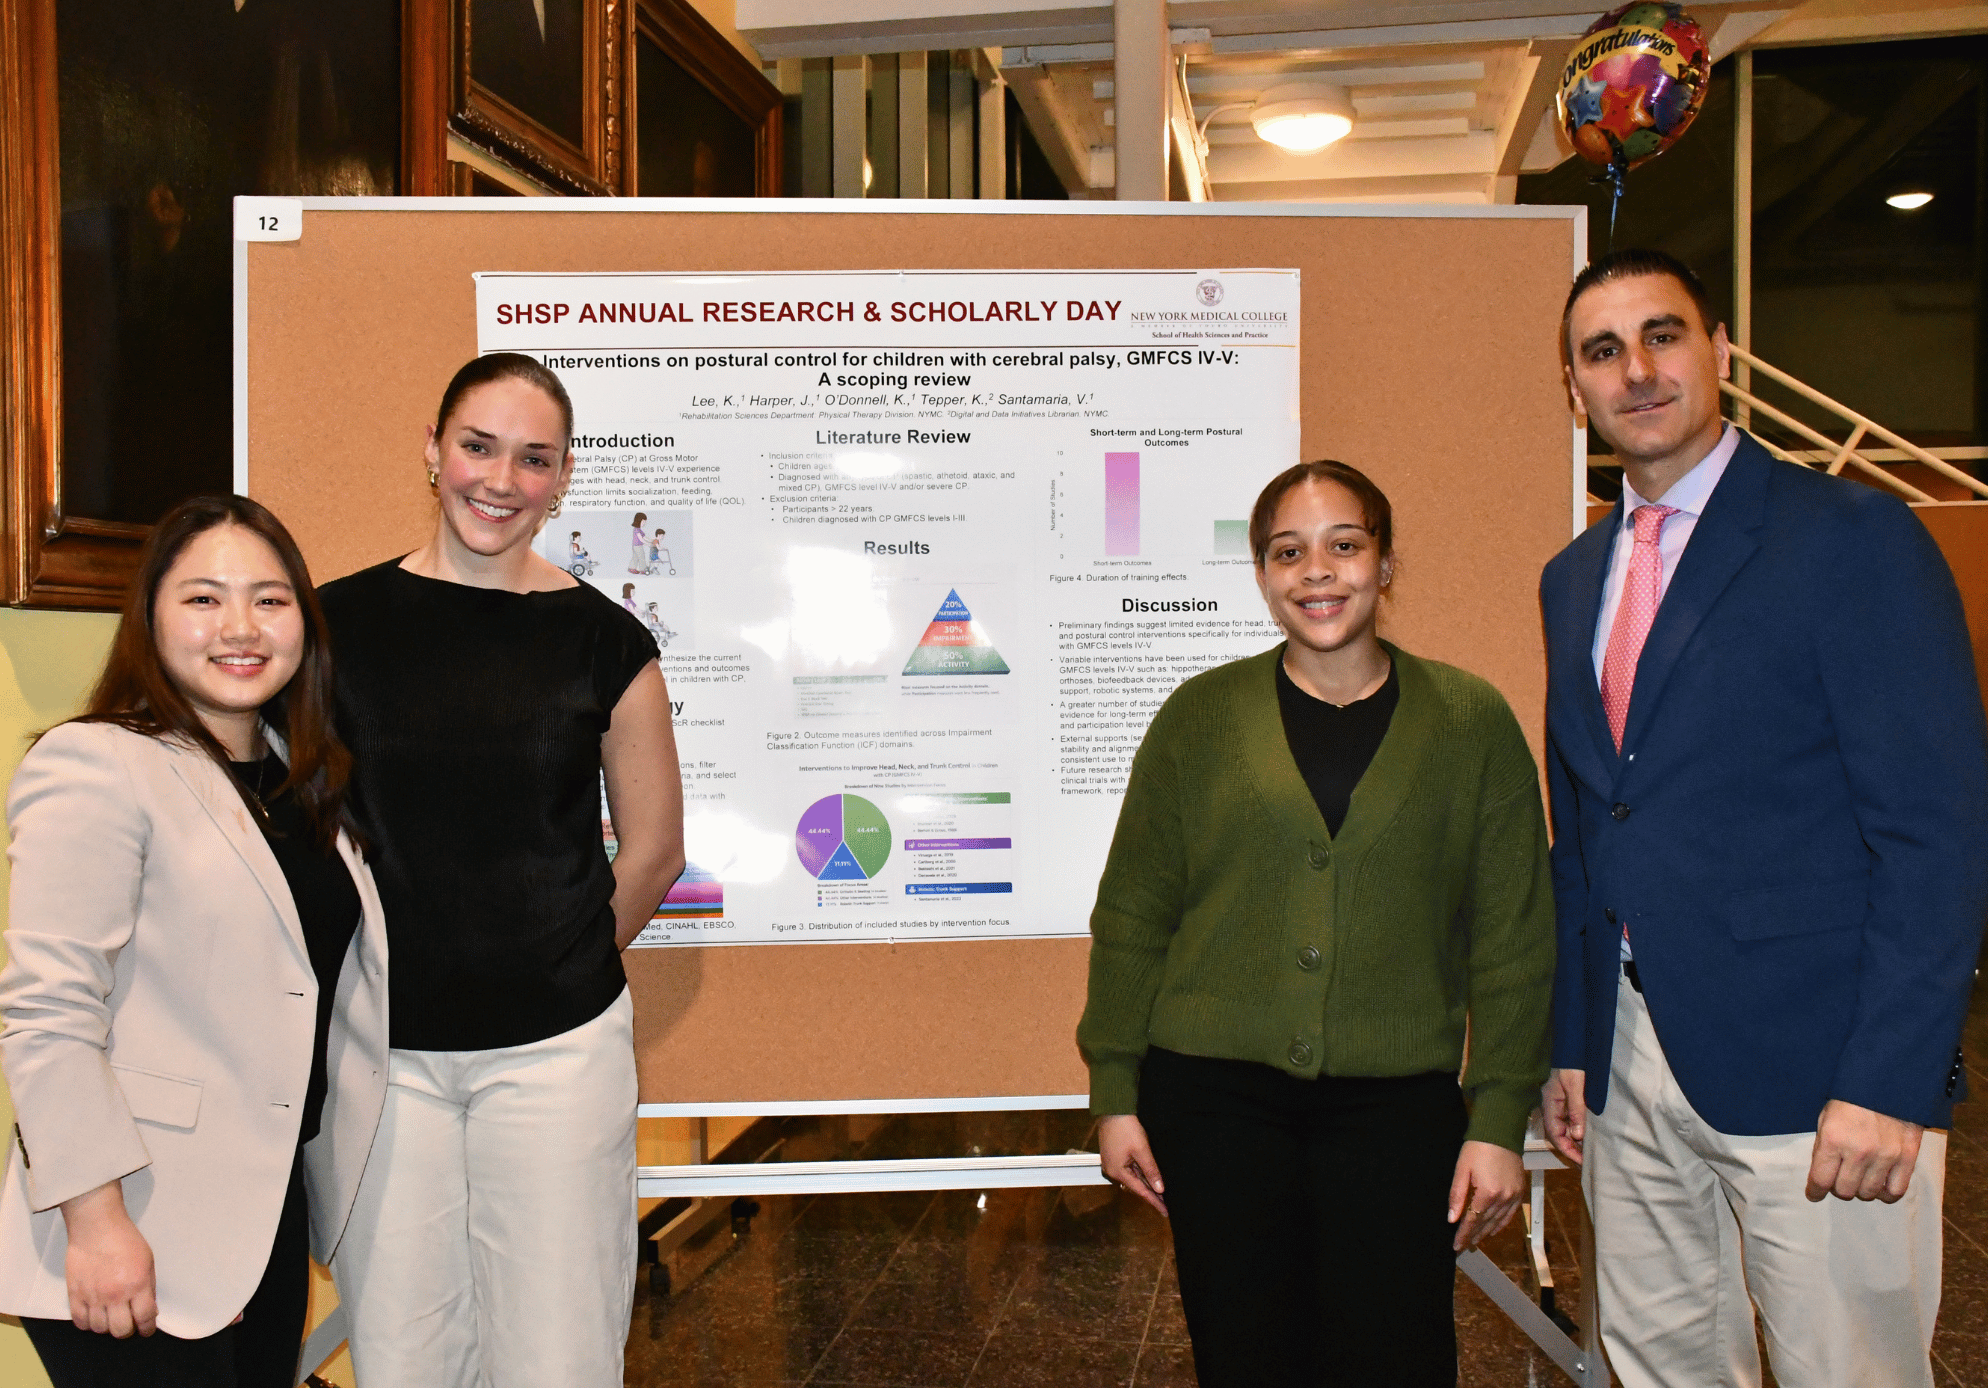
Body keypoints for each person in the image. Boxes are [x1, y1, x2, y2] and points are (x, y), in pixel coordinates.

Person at [1539, 248, 1988, 1388]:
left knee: (1849, 1371)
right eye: (1602, 351)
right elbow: (1587, 826)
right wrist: (1569, 1044)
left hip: (1819, 1069)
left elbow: (1934, 829)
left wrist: (1891, 1077)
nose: (1635, 370)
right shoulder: (1571, 574)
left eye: (1662, 335)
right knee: (1661, 1365)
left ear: (1720, 352)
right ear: (1571, 386)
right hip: (1629, 1063)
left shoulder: (1851, 537)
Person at [1077, 460, 1555, 1388]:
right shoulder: (1200, 718)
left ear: (1385, 564)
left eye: (1345, 545)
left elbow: (1513, 937)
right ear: (1261, 575)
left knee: (1400, 1356)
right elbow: (1134, 912)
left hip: (1395, 1109)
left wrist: (1498, 1116)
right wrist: (1114, 1091)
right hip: (1214, 1104)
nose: (1318, 572)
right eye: (1288, 552)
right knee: (1246, 1357)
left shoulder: (1470, 721)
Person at [319, 352, 684, 1388]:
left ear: (563, 477)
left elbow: (652, 847)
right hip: (383, 1056)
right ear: (432, 451)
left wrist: (553, 962)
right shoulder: (334, 626)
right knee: (404, 1353)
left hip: (555, 1057)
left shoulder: (607, 642)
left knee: (558, 1351)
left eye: (533, 458)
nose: (499, 478)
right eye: (477, 446)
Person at [0, 495, 388, 1387]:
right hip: (131, 1223)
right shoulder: (98, 762)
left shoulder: (302, 785)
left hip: (261, 1221)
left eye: (270, 598)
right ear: (151, 617)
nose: (240, 627)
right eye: (204, 598)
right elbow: (49, 1010)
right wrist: (94, 1224)